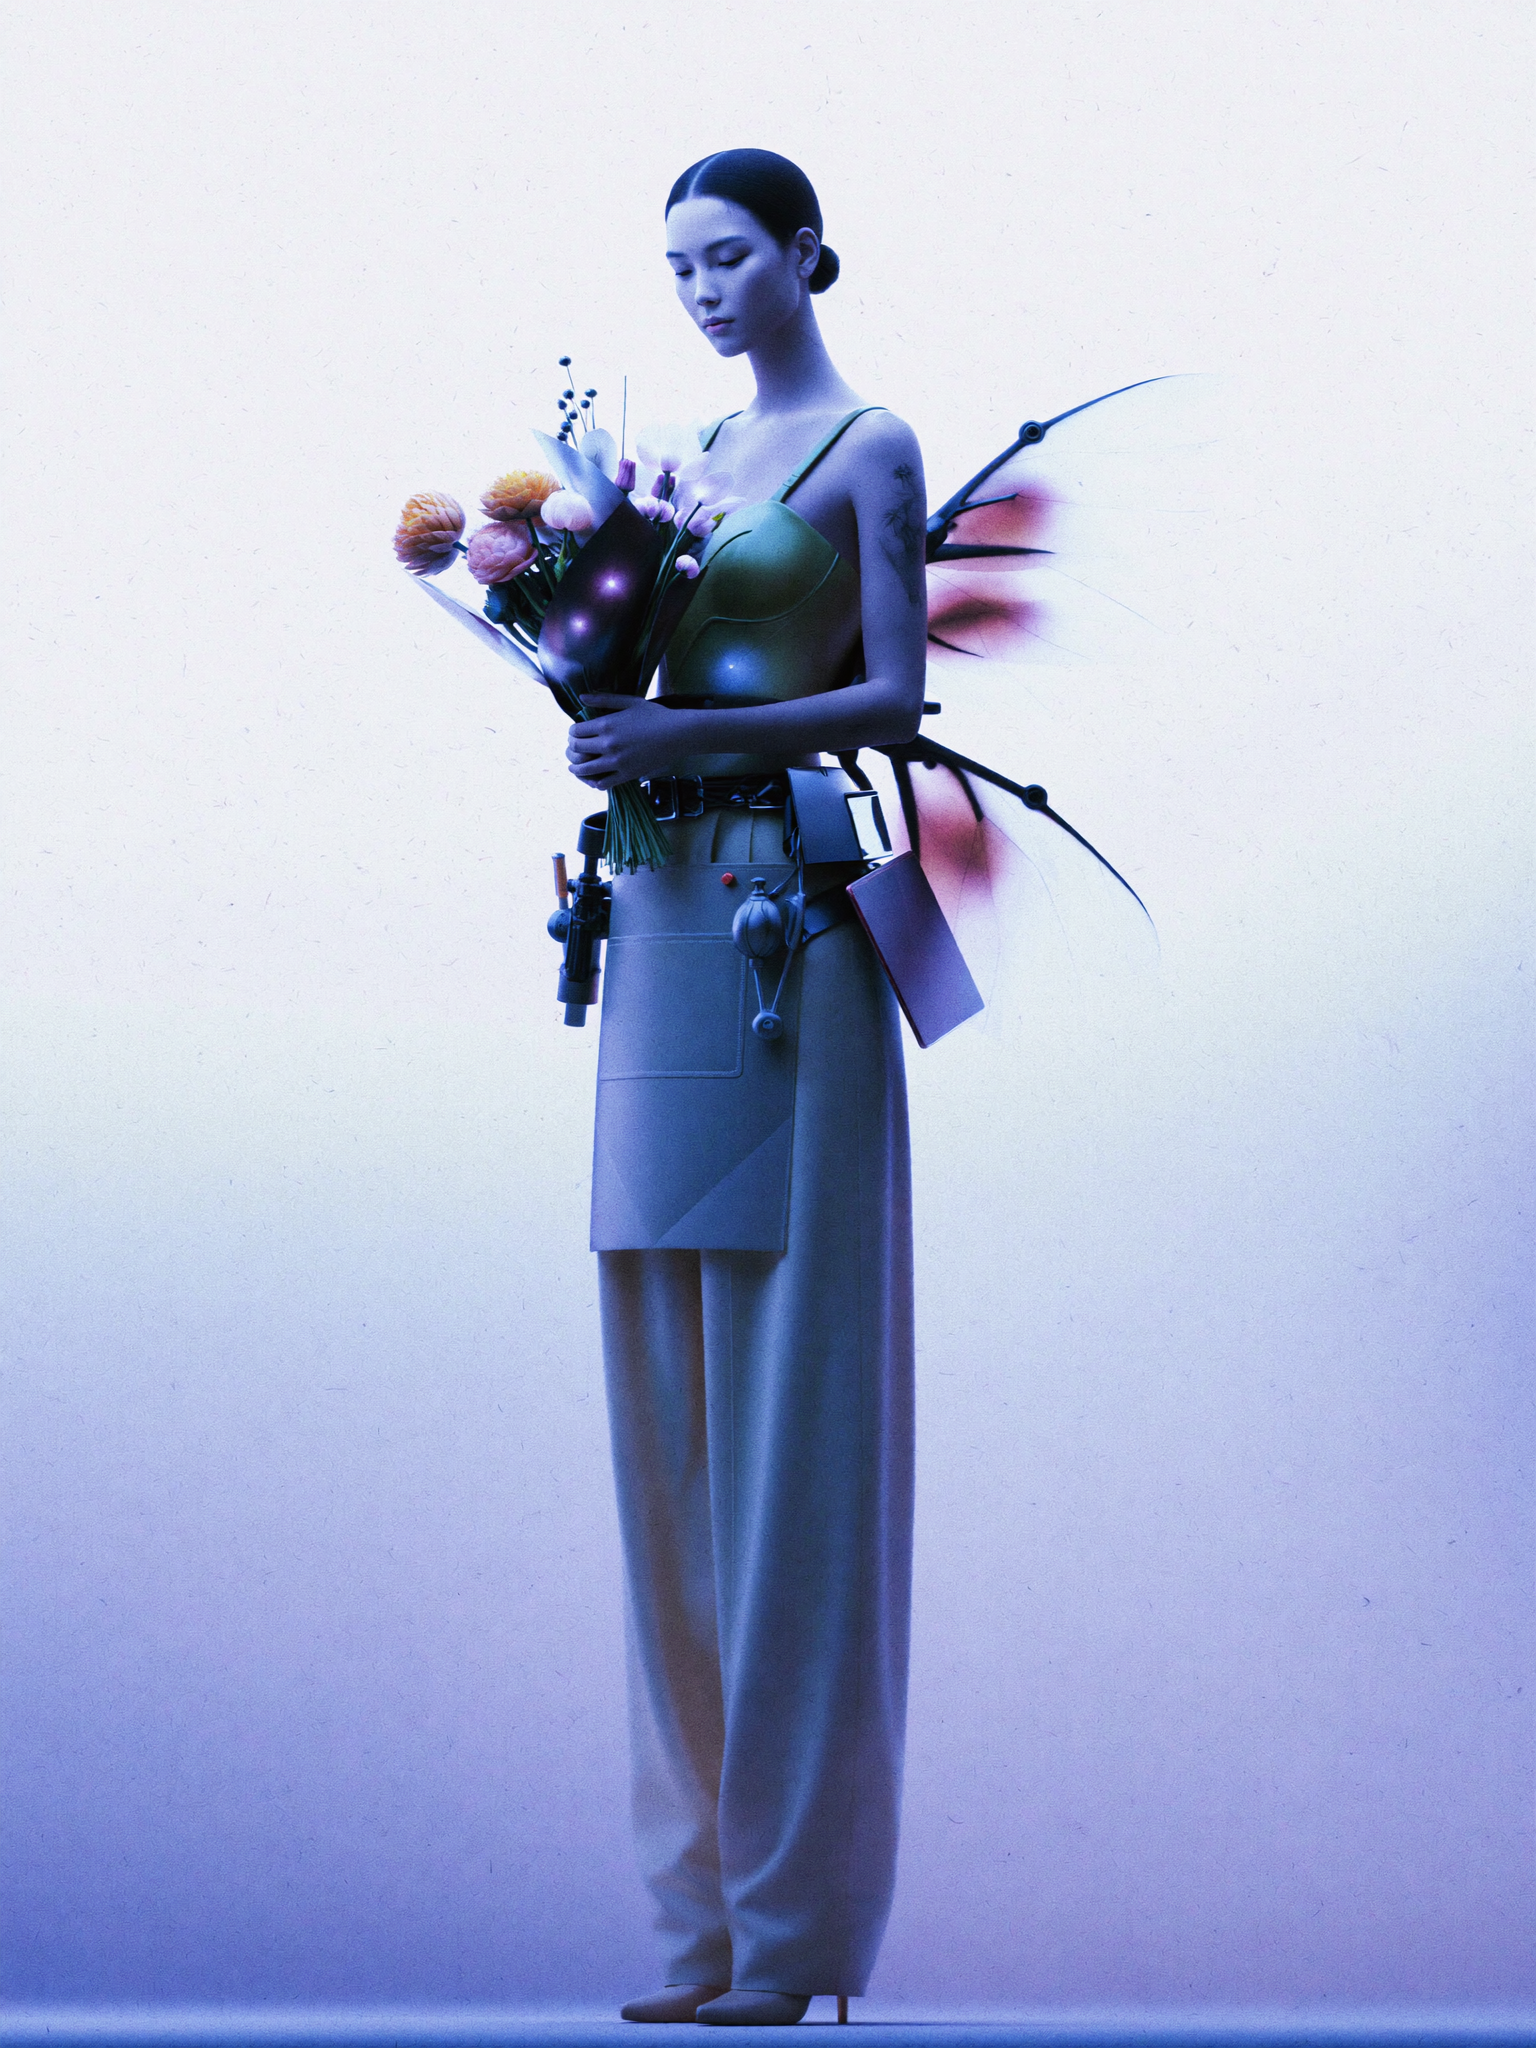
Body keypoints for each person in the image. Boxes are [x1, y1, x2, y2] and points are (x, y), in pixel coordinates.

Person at [566, 149, 928, 2028]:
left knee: (793, 1423)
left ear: (805, 252)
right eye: (681, 267)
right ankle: (696, 1926)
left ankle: (790, 1938)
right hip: (657, 913)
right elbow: (629, 653)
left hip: (790, 913)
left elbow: (893, 701)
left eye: (730, 257)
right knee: (663, 1415)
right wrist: (603, 718)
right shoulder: (683, 461)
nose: (704, 290)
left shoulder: (870, 446)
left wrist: (682, 731)